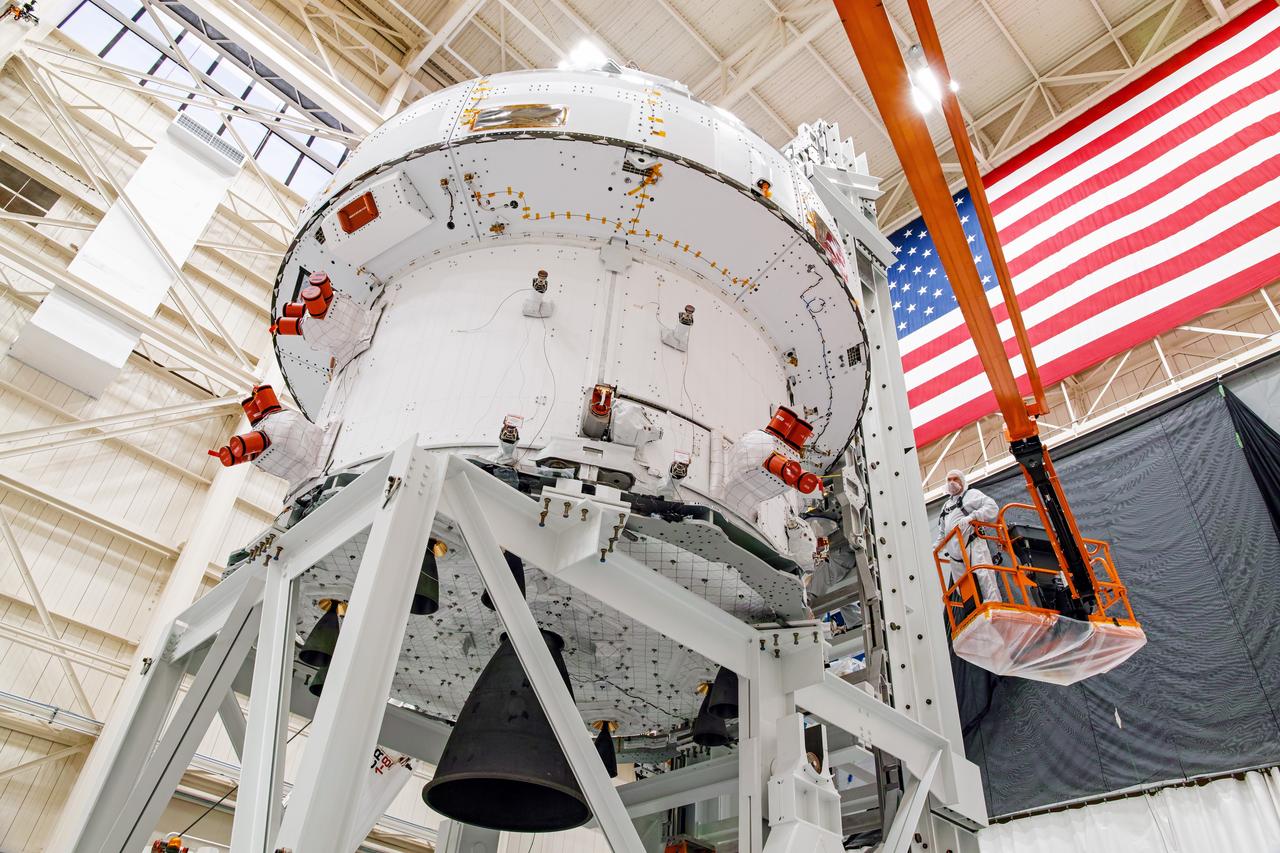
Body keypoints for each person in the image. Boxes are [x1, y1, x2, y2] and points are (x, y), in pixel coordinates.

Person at [935, 469, 1002, 603]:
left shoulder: (971, 495)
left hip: (971, 544)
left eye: (955, 479)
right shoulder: (946, 506)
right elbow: (942, 531)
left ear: (962, 481)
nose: (952, 482)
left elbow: (992, 507)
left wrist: (972, 517)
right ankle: (973, 610)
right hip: (955, 553)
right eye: (949, 480)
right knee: (963, 584)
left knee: (983, 574)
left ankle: (994, 604)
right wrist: (937, 546)